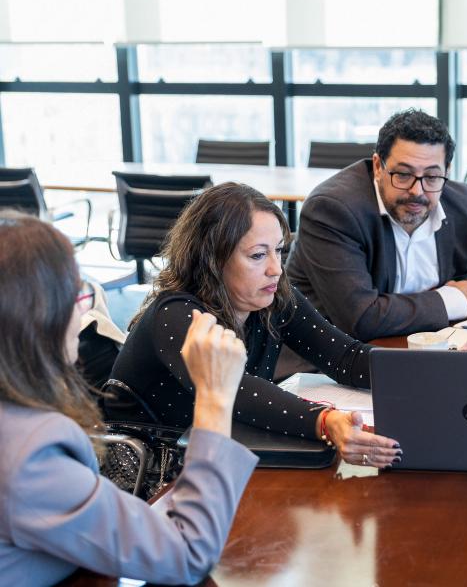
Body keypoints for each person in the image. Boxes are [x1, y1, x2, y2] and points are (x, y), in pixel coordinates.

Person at [0, 210, 257, 585]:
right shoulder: (30, 456)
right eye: (77, 294)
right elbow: (188, 554)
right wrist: (215, 397)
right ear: (37, 316)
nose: (85, 310)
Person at [110, 183, 400, 468]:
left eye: (279, 251)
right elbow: (235, 390)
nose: (276, 268)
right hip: (149, 476)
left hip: (218, 457)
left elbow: (345, 358)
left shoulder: (273, 294)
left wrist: (423, 373)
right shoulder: (175, 315)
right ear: (213, 259)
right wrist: (325, 421)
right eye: (258, 255)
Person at [286, 109, 467, 340]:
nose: (416, 191)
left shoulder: (466, 203)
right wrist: (453, 300)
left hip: (427, 350)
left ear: (447, 171)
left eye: (431, 177)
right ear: (378, 166)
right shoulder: (333, 210)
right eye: (403, 174)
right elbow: (361, 317)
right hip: (327, 360)